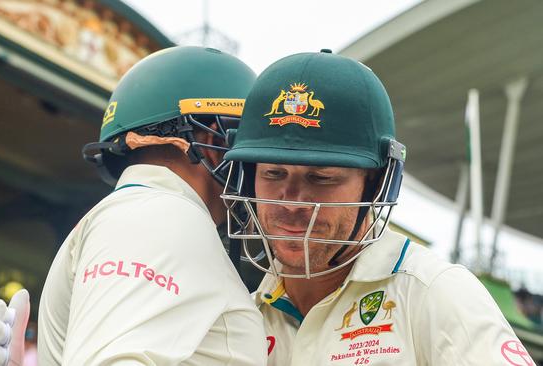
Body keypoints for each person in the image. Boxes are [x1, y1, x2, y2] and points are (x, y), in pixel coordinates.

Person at [0, 46, 267, 365]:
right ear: (213, 141)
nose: (257, 171)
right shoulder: (161, 213)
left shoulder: (140, 211)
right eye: (246, 147)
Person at [220, 49, 532, 365]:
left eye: (321, 177)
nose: (292, 202)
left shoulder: (432, 292)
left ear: (377, 182)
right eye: (274, 174)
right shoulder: (243, 317)